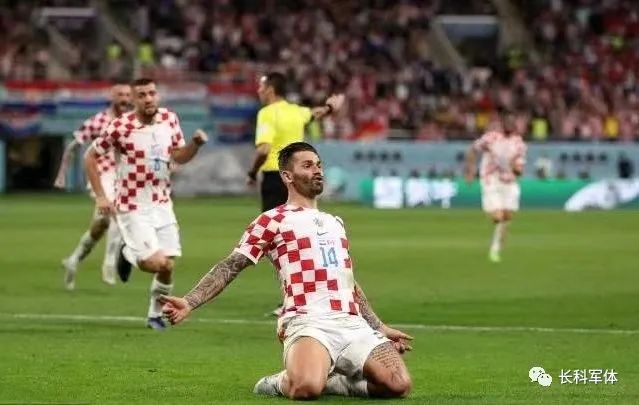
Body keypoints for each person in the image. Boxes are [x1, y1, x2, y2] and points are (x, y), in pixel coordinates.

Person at [161, 142, 413, 400]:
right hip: (308, 322)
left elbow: (346, 282)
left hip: (351, 323)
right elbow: (232, 264)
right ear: (287, 176)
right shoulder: (272, 220)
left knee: (398, 384)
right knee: (306, 388)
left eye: (318, 165)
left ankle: (336, 383)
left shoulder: (334, 223)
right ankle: (278, 381)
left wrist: (378, 326)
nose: (317, 170)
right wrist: (190, 301)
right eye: (307, 165)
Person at [85, 78, 208, 330]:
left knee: (168, 265)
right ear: (133, 99)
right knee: (155, 263)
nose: (148, 98)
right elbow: (90, 156)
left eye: (152, 93)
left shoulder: (169, 119)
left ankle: (154, 315)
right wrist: (101, 196)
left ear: (157, 95)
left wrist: (195, 144)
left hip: (162, 203)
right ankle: (127, 253)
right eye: (141, 95)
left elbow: (179, 156)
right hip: (132, 206)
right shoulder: (121, 126)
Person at [246, 72, 344, 316]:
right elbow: (314, 114)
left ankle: (293, 296)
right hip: (299, 180)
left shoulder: (267, 113)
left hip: (275, 177)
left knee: (274, 240)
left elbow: (264, 149)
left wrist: (252, 172)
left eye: (261, 87)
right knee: (300, 234)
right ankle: (309, 291)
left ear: (270, 89)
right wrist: (330, 108)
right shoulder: (296, 111)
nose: (258, 91)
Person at [54, 82, 132, 290]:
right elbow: (73, 145)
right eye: (120, 94)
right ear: (112, 96)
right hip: (101, 174)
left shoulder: (132, 121)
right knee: (117, 212)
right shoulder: (98, 121)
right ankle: (109, 263)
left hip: (123, 177)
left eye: (128, 95)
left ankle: (73, 260)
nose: (125, 99)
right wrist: (61, 174)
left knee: (101, 225)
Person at [464, 114, 527, 263]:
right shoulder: (491, 138)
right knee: (498, 216)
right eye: (507, 122)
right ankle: (496, 246)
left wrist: (513, 166)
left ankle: (496, 245)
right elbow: (472, 149)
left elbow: (519, 171)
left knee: (506, 216)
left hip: (509, 183)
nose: (509, 125)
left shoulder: (519, 144)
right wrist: (470, 170)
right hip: (490, 179)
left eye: (512, 123)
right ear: (503, 124)